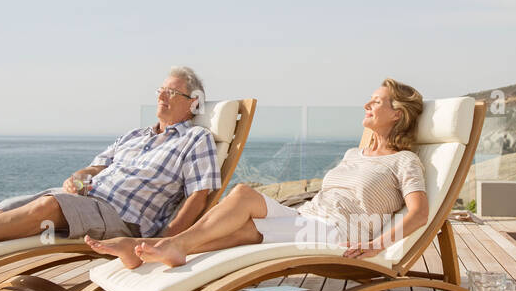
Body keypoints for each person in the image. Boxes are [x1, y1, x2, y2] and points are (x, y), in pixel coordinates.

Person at [0, 66, 219, 288]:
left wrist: (166, 241)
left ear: (193, 103)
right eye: (160, 89)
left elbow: (199, 195)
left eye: (172, 92)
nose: (161, 96)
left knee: (46, 208)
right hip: (87, 200)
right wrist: (80, 178)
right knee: (7, 212)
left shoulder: (195, 138)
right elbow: (93, 169)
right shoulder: (134, 135)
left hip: (121, 220)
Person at [88, 78, 427, 269]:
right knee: (244, 215)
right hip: (306, 217)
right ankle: (148, 248)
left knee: (245, 199)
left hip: (339, 233)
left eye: (377, 102)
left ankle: (157, 246)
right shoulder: (354, 153)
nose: (367, 106)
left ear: (397, 115)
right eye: (369, 99)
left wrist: (376, 244)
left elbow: (419, 213)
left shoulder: (404, 161)